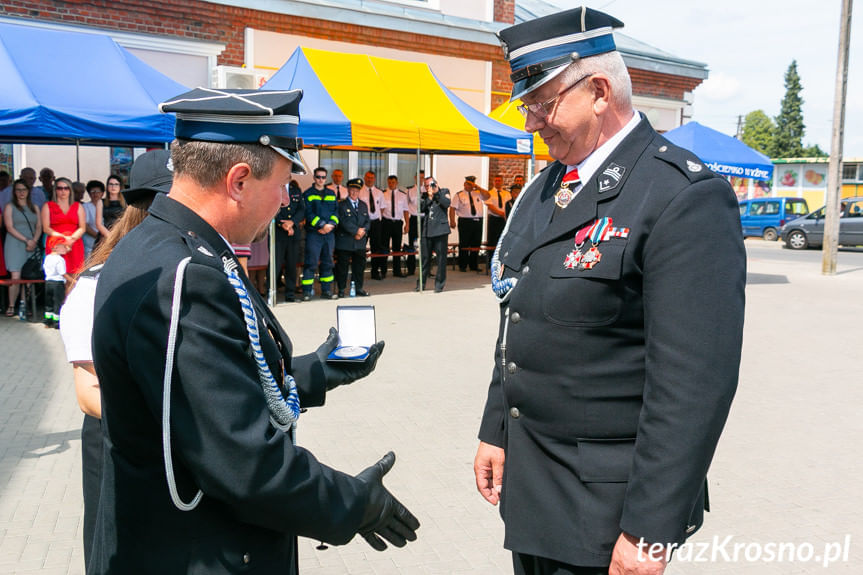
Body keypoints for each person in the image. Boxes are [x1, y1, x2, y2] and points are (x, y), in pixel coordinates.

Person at [90, 88, 419, 573]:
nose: (286, 200)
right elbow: (244, 462)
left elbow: (213, 389)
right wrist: (357, 503)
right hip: (199, 549)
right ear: (239, 180)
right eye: (284, 182)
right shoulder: (187, 276)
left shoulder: (167, 246)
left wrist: (316, 372)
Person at [474, 7, 745, 575]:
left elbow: (693, 385)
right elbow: (518, 319)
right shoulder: (549, 186)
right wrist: (496, 429)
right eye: (527, 106)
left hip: (610, 509)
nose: (531, 122)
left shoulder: (681, 196)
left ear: (599, 91)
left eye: (542, 104)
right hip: (536, 491)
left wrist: (651, 529)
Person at [59, 149, 173, 573]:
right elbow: (89, 394)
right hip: (121, 439)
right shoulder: (95, 284)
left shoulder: (188, 270)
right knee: (116, 551)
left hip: (169, 442)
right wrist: (166, 424)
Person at [3, 179, 42, 316]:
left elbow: (39, 226)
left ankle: (26, 305)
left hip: (31, 243)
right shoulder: (10, 206)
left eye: (23, 190)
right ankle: (12, 304)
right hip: (15, 243)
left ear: (28, 191)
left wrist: (34, 241)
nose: (21, 192)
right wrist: (26, 240)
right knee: (16, 275)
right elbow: (9, 227)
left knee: (29, 275)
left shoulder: (35, 207)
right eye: (18, 190)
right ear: (14, 192)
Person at [302, 166, 338, 300]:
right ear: (314, 178)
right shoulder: (308, 193)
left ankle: (326, 290)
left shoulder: (331, 193)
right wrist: (322, 225)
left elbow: (336, 212)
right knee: (311, 262)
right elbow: (308, 213)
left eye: (323, 177)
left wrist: (331, 225)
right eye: (318, 177)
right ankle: (306, 291)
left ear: (326, 178)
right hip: (314, 234)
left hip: (329, 234)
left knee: (328, 262)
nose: (321, 180)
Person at [334, 177, 371, 298]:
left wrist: (362, 231)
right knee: (342, 267)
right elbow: (343, 221)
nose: (354, 192)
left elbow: (367, 221)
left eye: (356, 190)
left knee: (359, 267)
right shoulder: (342, 205)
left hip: (360, 242)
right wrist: (356, 231)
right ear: (348, 190)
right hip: (345, 241)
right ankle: (341, 289)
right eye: (352, 190)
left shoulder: (363, 205)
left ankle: (358, 288)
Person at [41, 176, 85, 275]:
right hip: (55, 242)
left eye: (66, 188)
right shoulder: (48, 206)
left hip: (74, 242)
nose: (63, 191)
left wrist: (71, 239)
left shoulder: (78, 206)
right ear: (55, 190)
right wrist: (63, 237)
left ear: (70, 190)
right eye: (59, 188)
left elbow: (82, 227)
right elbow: (46, 228)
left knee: (75, 275)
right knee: (57, 275)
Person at [418, 176, 451, 293]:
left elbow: (446, 203)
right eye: (426, 186)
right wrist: (429, 198)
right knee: (425, 259)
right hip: (427, 231)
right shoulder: (424, 195)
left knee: (441, 259)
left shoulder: (444, 191)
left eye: (431, 185)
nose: (429, 188)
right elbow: (421, 208)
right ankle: (421, 284)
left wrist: (436, 193)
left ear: (436, 183)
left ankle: (439, 285)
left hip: (440, 231)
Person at [274, 179, 305, 302]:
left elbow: (301, 209)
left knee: (291, 264)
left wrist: (292, 222)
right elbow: (271, 208)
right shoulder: (274, 187)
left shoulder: (296, 190)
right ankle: (272, 293)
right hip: (278, 233)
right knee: (275, 264)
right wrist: (283, 225)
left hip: (293, 233)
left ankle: (290, 294)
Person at [448, 175, 484, 272]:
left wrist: (478, 187)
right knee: (464, 243)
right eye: (468, 184)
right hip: (465, 221)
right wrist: (452, 220)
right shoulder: (459, 195)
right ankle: (463, 265)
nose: (470, 186)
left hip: (478, 221)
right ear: (464, 184)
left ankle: (474, 265)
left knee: (476, 243)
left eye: (472, 184)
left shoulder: (478, 193)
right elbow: (452, 208)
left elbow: (488, 195)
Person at [381, 175, 408, 278]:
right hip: (386, 223)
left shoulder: (402, 195)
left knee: (397, 248)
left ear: (397, 183)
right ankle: (383, 271)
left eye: (393, 182)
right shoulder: (382, 194)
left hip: (397, 223)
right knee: (384, 247)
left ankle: (397, 271)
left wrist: (407, 224)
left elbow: (406, 210)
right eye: (389, 182)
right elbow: (381, 210)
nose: (391, 184)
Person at [42, 237, 71, 328]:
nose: (66, 249)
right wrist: (73, 280)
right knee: (57, 303)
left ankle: (47, 321)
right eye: (64, 246)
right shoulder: (60, 259)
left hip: (48, 282)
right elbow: (62, 273)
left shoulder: (47, 257)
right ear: (55, 247)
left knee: (49, 302)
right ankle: (56, 323)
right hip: (58, 283)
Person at [361, 171, 385, 279]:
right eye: (368, 177)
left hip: (376, 223)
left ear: (374, 179)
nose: (370, 179)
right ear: (364, 178)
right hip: (363, 223)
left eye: (372, 177)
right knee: (361, 247)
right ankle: (359, 271)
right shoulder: (360, 191)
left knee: (376, 248)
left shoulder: (379, 192)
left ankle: (375, 271)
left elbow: (382, 208)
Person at [403, 169, 424, 276]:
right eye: (419, 177)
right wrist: (407, 223)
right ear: (415, 178)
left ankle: (426, 269)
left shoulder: (428, 189)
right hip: (414, 219)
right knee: (413, 244)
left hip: (425, 220)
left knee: (426, 244)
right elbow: (405, 208)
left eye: (422, 177)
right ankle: (411, 268)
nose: (421, 179)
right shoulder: (409, 190)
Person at [485, 173, 510, 251]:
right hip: (494, 220)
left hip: (504, 219)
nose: (497, 182)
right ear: (493, 182)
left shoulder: (507, 193)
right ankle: (490, 261)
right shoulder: (489, 193)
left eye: (499, 181)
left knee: (503, 239)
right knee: (492, 240)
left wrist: (505, 215)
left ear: (502, 182)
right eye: (496, 181)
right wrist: (501, 213)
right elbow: (490, 206)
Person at [82, 180, 105, 258]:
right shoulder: (86, 206)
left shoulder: (106, 206)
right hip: (90, 244)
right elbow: (85, 225)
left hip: (105, 243)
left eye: (98, 191)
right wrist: (98, 237)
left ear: (102, 193)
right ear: (89, 193)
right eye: (92, 191)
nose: (95, 194)